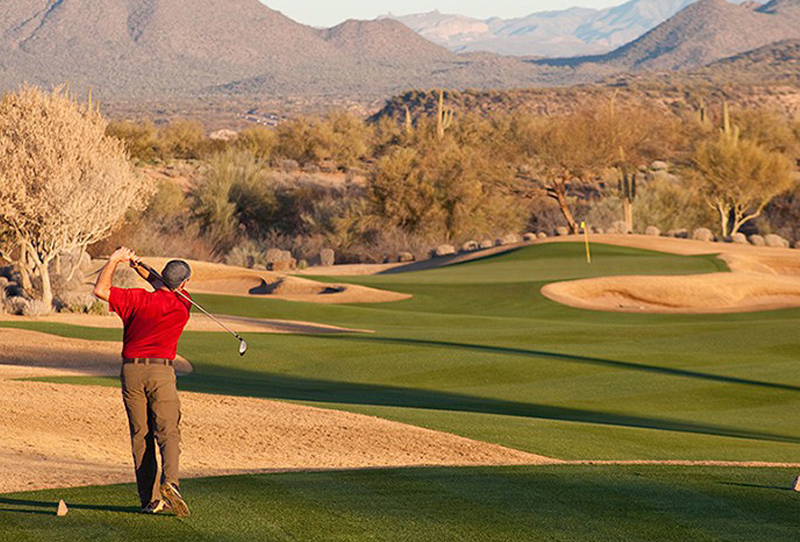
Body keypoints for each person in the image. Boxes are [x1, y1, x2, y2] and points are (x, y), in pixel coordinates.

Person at [93, 246, 192, 516]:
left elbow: (101, 290)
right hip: (162, 373)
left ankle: (150, 500)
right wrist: (140, 268)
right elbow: (164, 284)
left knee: (141, 436)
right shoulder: (183, 305)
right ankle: (170, 483)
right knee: (168, 432)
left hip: (131, 373)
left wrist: (115, 261)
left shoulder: (136, 299)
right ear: (184, 284)